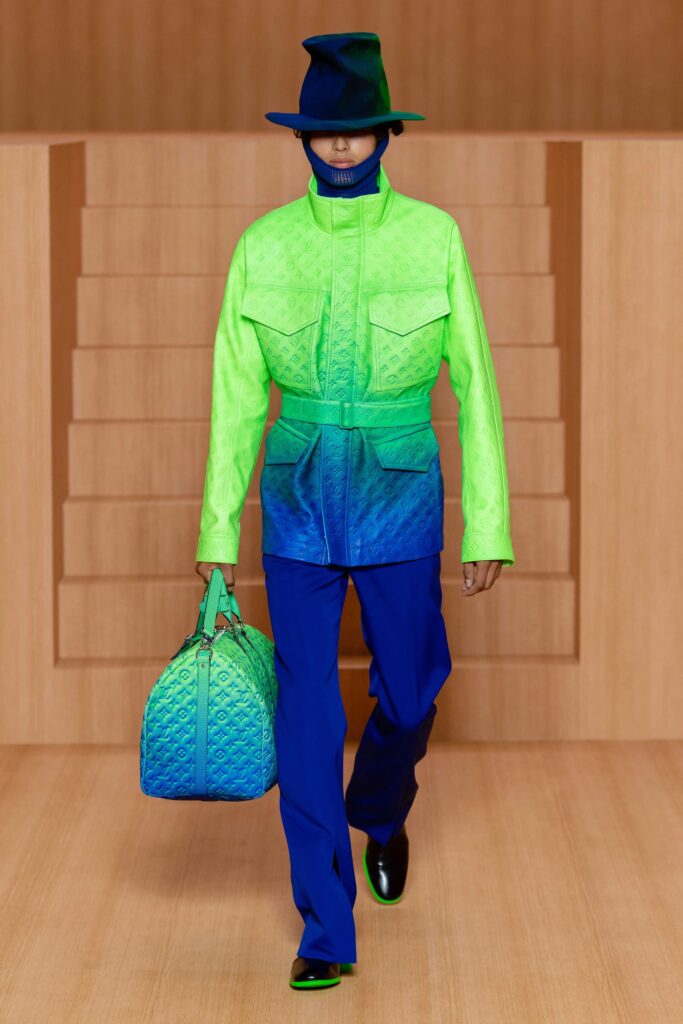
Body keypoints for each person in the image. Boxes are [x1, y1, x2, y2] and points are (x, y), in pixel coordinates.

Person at [195, 31, 515, 990]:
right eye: (325, 131)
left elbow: (476, 383)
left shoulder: (433, 235)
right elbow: (235, 396)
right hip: (296, 501)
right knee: (303, 715)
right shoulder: (263, 245)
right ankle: (324, 929)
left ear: (385, 134)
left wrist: (487, 521)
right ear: (303, 139)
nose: (341, 145)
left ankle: (378, 808)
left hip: (400, 493)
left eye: (359, 128)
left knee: (411, 692)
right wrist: (217, 531)